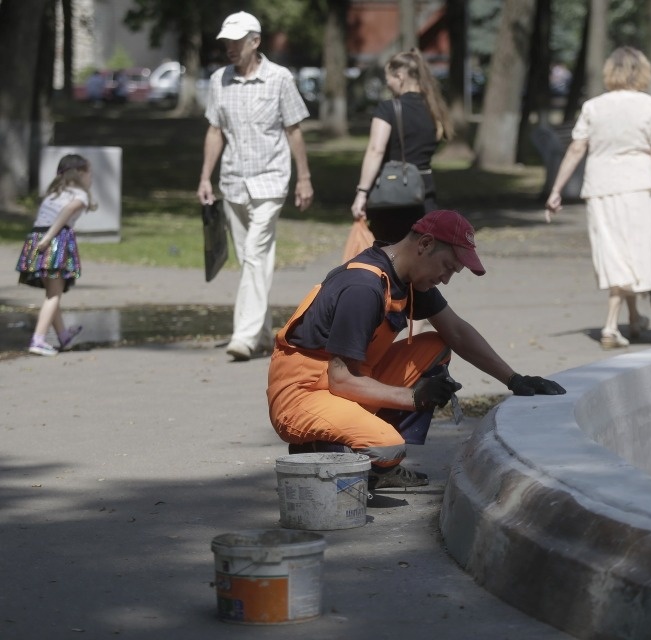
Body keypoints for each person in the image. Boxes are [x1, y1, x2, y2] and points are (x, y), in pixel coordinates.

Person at [267, 209, 566, 490]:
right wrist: (413, 397)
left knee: (436, 345)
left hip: (345, 383)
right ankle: (324, 451)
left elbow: (457, 332)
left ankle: (369, 451)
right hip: (303, 396)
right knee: (387, 447)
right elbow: (341, 379)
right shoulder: (363, 288)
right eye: (448, 267)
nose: (447, 279)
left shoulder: (408, 279)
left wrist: (514, 379)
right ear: (425, 243)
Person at [197, 11, 313, 362]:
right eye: (226, 41)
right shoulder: (220, 80)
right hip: (233, 182)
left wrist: (304, 177)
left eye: (236, 41)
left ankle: (244, 337)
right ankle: (264, 334)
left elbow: (294, 130)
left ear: (255, 41)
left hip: (271, 181)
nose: (230, 47)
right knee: (254, 260)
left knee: (254, 255)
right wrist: (205, 176)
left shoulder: (279, 78)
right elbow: (215, 130)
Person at [544, 47, 651, 350]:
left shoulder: (593, 107)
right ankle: (611, 326)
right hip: (640, 187)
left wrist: (556, 189)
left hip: (600, 186)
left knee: (615, 252)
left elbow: (577, 148)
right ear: (641, 71)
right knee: (633, 254)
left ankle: (634, 317)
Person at [351, 49, 453, 244]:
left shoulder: (388, 109)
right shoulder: (435, 109)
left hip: (391, 197)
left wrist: (362, 193)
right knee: (419, 259)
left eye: (388, 78)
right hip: (424, 194)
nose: (387, 83)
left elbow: (376, 150)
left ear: (400, 76)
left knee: (390, 258)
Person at [14, 155, 96, 356]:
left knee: (52, 293)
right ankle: (38, 339)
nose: (91, 177)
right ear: (80, 174)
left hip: (36, 238)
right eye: (89, 172)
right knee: (53, 295)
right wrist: (49, 238)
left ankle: (63, 336)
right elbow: (67, 212)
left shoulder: (54, 193)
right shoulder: (80, 195)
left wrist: (42, 240)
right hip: (54, 241)